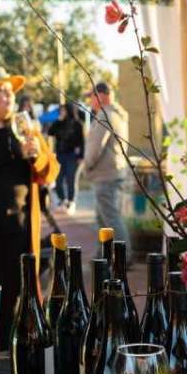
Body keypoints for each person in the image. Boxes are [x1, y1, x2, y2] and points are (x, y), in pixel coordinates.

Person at [0, 66, 59, 349]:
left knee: (11, 296)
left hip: (17, 229)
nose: (10, 97)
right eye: (2, 92)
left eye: (11, 92)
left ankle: (5, 352)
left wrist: (36, 155)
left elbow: (51, 172)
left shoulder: (25, 130)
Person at [83, 81, 131, 257]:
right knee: (104, 218)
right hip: (113, 172)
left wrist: (86, 165)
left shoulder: (105, 116)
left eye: (92, 96)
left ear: (101, 96)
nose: (90, 101)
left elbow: (95, 148)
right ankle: (103, 256)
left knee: (109, 219)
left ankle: (123, 257)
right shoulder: (117, 114)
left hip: (105, 175)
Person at [48, 102, 85, 214]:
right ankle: (62, 200)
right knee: (58, 180)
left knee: (70, 179)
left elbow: (82, 141)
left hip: (72, 156)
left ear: (69, 111)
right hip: (59, 155)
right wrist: (58, 120)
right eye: (60, 110)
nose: (61, 112)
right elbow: (50, 132)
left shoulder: (77, 124)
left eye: (63, 110)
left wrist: (81, 156)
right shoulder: (58, 123)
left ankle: (71, 201)